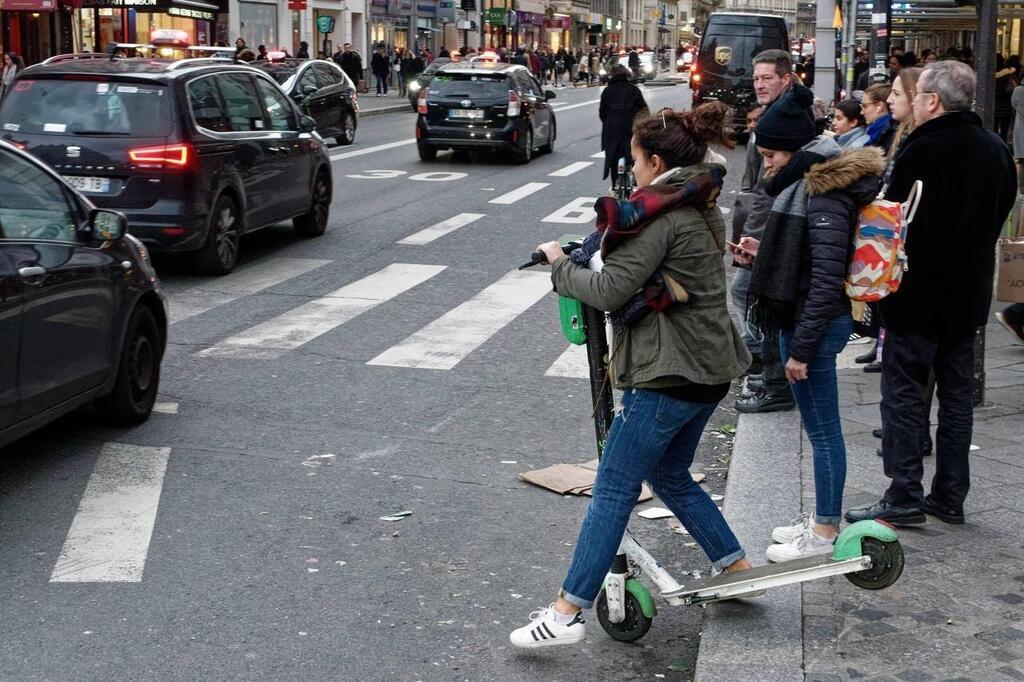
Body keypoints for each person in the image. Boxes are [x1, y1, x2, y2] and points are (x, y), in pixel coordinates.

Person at [510, 103, 755, 648]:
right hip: (708, 367)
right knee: (669, 475)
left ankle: (568, 610)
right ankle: (735, 568)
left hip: (669, 372)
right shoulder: (699, 202)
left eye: (637, 161)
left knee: (614, 487)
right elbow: (637, 270)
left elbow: (607, 290)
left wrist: (558, 265)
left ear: (657, 162)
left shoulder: (663, 215)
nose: (633, 171)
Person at [845, 61, 1017, 527]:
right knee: (957, 397)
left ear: (933, 101)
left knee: (903, 393)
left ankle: (903, 492)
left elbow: (892, 224)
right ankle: (950, 494)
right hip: (968, 296)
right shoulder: (995, 148)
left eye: (919, 93)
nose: (915, 100)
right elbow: (1002, 210)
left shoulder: (923, 150)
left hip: (917, 294)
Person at [734, 86, 885, 561]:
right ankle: (821, 520)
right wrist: (764, 255)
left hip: (813, 328)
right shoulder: (805, 185)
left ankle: (822, 533)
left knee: (823, 432)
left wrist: (799, 349)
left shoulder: (822, 192)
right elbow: (808, 262)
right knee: (820, 430)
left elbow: (824, 279)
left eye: (772, 154)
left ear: (797, 150)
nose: (767, 165)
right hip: (804, 322)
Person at [733, 48, 802, 415]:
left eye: (767, 78)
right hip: (772, 225)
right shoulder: (779, 112)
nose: (759, 84)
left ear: (785, 78)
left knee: (759, 299)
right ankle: (768, 370)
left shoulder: (784, 117)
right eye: (756, 78)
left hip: (778, 224)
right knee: (759, 299)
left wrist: (758, 237)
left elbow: (767, 188)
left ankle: (772, 377)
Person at [599, 64, 647, 191]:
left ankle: (615, 184)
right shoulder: (633, 90)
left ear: (612, 75)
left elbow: (602, 113)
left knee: (613, 158)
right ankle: (635, 179)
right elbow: (643, 110)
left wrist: (609, 122)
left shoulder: (607, 91)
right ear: (626, 75)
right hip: (630, 128)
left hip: (612, 130)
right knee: (633, 154)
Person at [861, 83, 897, 152]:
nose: (861, 112)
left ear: (879, 106)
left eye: (865, 106)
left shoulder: (885, 134)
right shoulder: (880, 131)